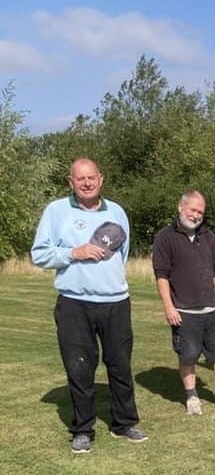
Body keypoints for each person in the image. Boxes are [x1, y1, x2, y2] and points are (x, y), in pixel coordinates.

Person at [30, 158, 147, 454]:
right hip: (74, 304)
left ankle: (124, 423)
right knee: (80, 369)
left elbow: (122, 253)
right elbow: (39, 254)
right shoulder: (56, 211)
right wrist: (75, 252)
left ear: (101, 179)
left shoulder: (117, 211)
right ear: (71, 182)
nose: (86, 183)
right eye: (79, 178)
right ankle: (82, 429)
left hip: (115, 302)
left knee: (120, 365)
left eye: (91, 177)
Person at [152, 190, 215, 417]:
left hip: (210, 309)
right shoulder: (165, 237)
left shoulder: (208, 236)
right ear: (181, 207)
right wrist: (169, 307)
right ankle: (192, 397)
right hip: (183, 311)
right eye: (193, 210)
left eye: (200, 212)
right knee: (188, 356)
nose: (197, 215)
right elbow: (162, 276)